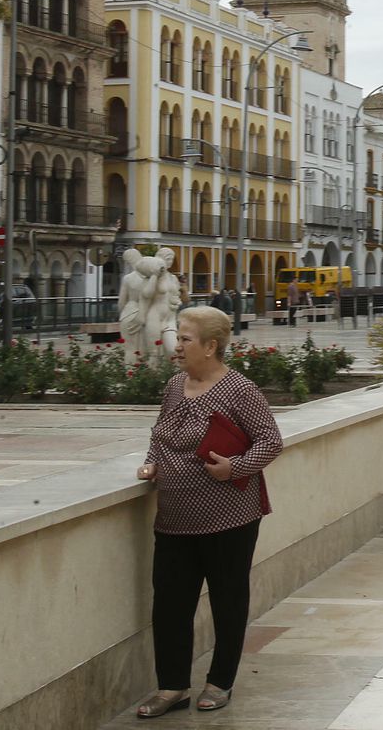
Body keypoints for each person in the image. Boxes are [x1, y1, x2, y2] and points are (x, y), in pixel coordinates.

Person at [134, 306, 283, 718]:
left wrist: (234, 468)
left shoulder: (239, 390)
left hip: (229, 520)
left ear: (211, 346)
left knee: (227, 600)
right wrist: (151, 464)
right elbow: (159, 435)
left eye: (185, 338)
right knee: (169, 605)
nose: (177, 346)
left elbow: (270, 441)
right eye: (177, 337)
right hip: (173, 519)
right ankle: (172, 687)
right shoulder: (174, 386)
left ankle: (220, 682)